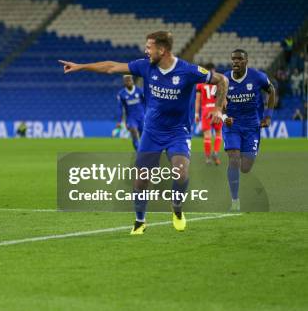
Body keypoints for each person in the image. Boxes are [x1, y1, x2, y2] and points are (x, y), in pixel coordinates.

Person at [59, 31, 228, 235]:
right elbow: (111, 66)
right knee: (140, 179)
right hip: (152, 131)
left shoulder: (188, 71)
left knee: (181, 174)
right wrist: (81, 66)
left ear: (162, 50)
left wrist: (218, 108)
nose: (146, 51)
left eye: (149, 47)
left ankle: (177, 208)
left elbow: (222, 81)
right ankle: (140, 221)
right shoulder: (145, 66)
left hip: (178, 132)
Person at [223, 49, 276, 212]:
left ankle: (248, 155)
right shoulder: (224, 79)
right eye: (233, 59)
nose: (236, 62)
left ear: (246, 62)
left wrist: (268, 116)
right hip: (232, 126)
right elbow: (219, 103)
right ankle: (235, 200)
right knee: (233, 159)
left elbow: (271, 90)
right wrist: (225, 117)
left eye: (239, 59)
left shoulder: (258, 77)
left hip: (252, 126)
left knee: (245, 168)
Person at [195, 63, 223, 165]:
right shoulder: (219, 82)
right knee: (219, 133)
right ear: (214, 70)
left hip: (206, 110)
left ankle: (207, 158)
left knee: (207, 136)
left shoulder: (200, 83)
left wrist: (196, 114)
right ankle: (215, 152)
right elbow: (222, 98)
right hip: (216, 109)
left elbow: (198, 100)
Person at [116, 75, 145, 151]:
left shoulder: (140, 91)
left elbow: (147, 102)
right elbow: (119, 108)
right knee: (134, 132)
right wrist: (119, 121)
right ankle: (138, 151)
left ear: (132, 81)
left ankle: (144, 152)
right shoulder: (121, 94)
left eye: (129, 80)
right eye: (126, 81)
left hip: (142, 117)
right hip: (131, 118)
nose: (128, 82)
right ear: (124, 82)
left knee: (143, 136)